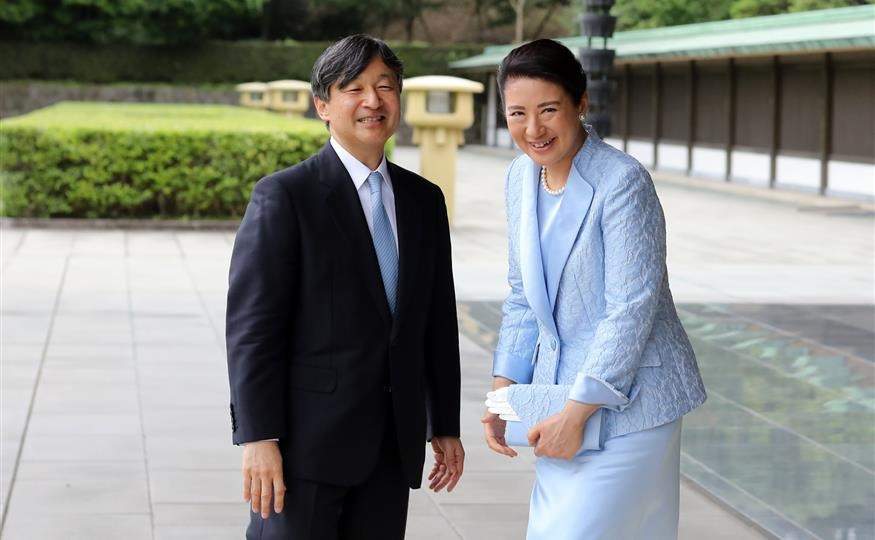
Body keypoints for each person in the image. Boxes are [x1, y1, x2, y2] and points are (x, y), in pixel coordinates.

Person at [226, 34, 464, 540]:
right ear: (323, 106)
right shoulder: (285, 197)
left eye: (385, 86)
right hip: (305, 450)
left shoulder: (424, 201)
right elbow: (253, 331)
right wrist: (258, 437)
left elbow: (437, 322)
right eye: (354, 88)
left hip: (391, 448)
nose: (372, 101)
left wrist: (444, 423)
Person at [481, 39, 707, 539]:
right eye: (517, 114)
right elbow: (521, 295)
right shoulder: (520, 177)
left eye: (548, 110)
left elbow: (631, 308)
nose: (533, 129)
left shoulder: (623, 181)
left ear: (580, 104)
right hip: (555, 403)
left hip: (631, 405)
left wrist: (577, 413)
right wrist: (504, 395)